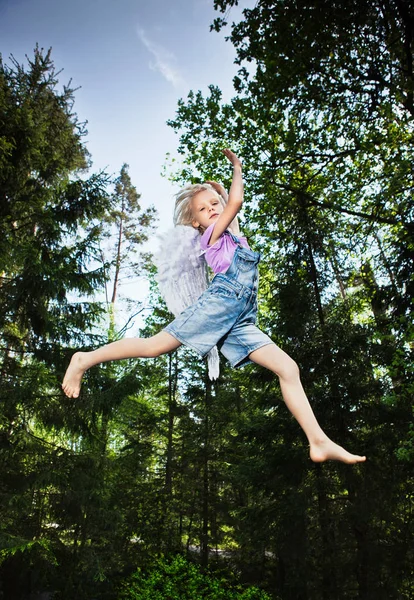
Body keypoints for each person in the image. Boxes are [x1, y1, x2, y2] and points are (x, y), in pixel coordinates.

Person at [62, 149, 366, 464]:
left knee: (289, 369)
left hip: (241, 318)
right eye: (204, 210)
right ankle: (85, 359)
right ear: (196, 222)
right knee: (155, 346)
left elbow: (231, 207)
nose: (212, 209)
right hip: (219, 305)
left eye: (214, 205)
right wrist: (237, 167)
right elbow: (234, 204)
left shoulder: (234, 235)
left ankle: (318, 441)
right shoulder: (211, 237)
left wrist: (218, 193)